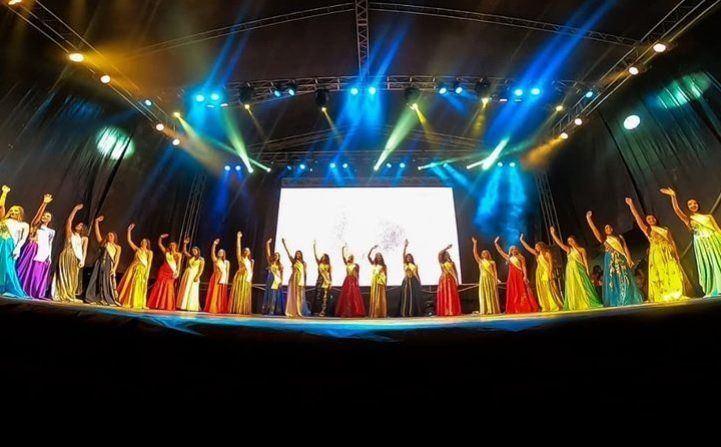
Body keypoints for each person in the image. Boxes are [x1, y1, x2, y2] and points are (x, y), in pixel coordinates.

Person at [660, 187, 721, 296]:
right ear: (688, 207)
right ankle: (716, 286)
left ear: (698, 204)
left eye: (694, 203)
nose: (693, 205)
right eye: (690, 204)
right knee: (709, 264)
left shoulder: (708, 217)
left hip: (714, 241)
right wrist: (673, 196)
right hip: (702, 245)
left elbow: (717, 229)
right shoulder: (688, 219)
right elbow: (677, 210)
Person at [625, 197, 685, 302]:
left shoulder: (665, 229)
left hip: (668, 252)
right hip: (657, 253)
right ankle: (664, 293)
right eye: (648, 219)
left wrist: (676, 254)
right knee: (660, 272)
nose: (651, 220)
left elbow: (672, 242)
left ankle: (674, 291)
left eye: (652, 218)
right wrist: (631, 205)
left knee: (672, 270)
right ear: (646, 222)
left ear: (656, 219)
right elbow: (637, 217)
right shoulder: (647, 230)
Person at [585, 211, 644, 307]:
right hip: (610, 260)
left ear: (612, 228)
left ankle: (626, 297)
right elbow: (594, 230)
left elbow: (625, 248)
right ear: (604, 231)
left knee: (624, 277)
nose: (608, 229)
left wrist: (629, 259)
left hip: (621, 259)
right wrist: (589, 219)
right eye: (606, 228)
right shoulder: (604, 239)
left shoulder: (619, 237)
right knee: (613, 279)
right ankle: (617, 299)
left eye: (609, 227)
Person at [550, 226, 603, 310]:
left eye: (571, 240)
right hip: (570, 270)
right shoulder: (568, 249)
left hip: (579, 269)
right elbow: (559, 244)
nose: (570, 242)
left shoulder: (582, 249)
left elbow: (585, 260)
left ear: (575, 240)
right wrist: (553, 234)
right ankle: (575, 303)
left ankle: (586, 301)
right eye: (569, 241)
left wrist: (587, 270)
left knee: (583, 285)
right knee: (573, 287)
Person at [16, 194, 55, 298]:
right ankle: (22, 288)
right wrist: (44, 203)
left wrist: (49, 257)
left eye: (47, 216)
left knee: (36, 273)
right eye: (44, 215)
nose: (44, 217)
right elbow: (38, 215)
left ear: (50, 220)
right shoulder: (35, 225)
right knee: (26, 269)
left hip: (43, 252)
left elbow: (50, 244)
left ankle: (33, 291)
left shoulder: (51, 231)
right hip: (32, 249)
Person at [52, 204, 87, 303]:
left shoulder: (83, 238)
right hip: (68, 254)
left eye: (81, 225)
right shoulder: (70, 234)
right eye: (79, 224)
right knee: (65, 275)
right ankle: (63, 293)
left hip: (76, 258)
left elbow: (84, 250)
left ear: (83, 229)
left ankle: (70, 293)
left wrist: (83, 260)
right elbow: (69, 221)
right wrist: (75, 209)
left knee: (73, 276)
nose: (78, 225)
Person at [494, 237, 539, 314]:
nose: (514, 250)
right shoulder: (508, 257)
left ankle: (523, 307)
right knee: (512, 291)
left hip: (519, 275)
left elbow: (524, 267)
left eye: (515, 249)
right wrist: (496, 243)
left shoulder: (521, 257)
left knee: (521, 290)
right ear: (510, 251)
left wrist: (525, 276)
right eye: (512, 249)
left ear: (517, 250)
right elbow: (500, 251)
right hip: (511, 277)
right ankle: (514, 308)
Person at [519, 234, 563, 312]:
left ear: (541, 246)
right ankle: (546, 306)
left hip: (546, 272)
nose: (536, 248)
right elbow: (528, 248)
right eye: (535, 247)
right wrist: (522, 240)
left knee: (549, 288)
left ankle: (554, 305)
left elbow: (551, 264)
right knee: (542, 289)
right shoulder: (537, 254)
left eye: (537, 246)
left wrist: (550, 273)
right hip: (539, 273)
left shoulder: (547, 253)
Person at [85, 215, 121, 306]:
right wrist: (96, 222)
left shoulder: (117, 247)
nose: (109, 236)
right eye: (108, 235)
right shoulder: (104, 243)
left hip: (109, 265)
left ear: (114, 237)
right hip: (100, 263)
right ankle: (93, 297)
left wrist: (114, 269)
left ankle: (107, 298)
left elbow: (117, 259)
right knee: (96, 280)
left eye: (111, 235)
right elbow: (97, 234)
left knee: (106, 281)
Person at [116, 223, 152, 309]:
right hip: (134, 268)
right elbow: (129, 240)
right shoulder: (137, 249)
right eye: (142, 241)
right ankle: (131, 301)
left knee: (140, 286)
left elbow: (149, 263)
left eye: (144, 241)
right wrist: (129, 230)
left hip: (142, 270)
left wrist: (147, 273)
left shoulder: (149, 252)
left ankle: (140, 303)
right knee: (132, 284)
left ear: (147, 243)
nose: (142, 242)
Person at [0, 185, 26, 297]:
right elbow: (1, 206)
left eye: (16, 210)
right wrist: (4, 193)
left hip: (9, 245)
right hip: (1, 241)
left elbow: (23, 239)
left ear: (20, 213)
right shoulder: (4, 220)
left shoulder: (24, 225)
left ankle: (6, 287)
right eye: (11, 210)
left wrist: (17, 248)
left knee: (6, 266)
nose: (12, 212)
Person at [147, 234, 182, 311]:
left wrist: (177, 273)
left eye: (173, 245)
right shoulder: (166, 252)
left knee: (169, 286)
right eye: (171, 245)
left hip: (171, 272)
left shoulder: (179, 254)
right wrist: (160, 237)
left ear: (176, 246)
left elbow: (178, 264)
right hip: (163, 271)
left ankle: (167, 305)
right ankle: (156, 304)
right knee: (159, 285)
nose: (172, 246)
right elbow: (159, 244)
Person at [472, 237, 500, 315]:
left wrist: (496, 280)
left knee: (491, 294)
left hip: (491, 279)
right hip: (483, 279)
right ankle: (485, 309)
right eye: (483, 253)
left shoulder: (492, 262)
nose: (484, 254)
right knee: (483, 294)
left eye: (486, 253)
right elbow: (475, 253)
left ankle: (492, 309)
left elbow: (495, 272)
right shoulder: (480, 261)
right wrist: (475, 244)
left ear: (488, 254)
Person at [335, 244, 365, 317]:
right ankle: (346, 311)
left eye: (350, 257)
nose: (349, 258)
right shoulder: (347, 264)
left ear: (353, 258)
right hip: (347, 280)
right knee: (346, 295)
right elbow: (343, 258)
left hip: (353, 280)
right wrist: (342, 249)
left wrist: (357, 281)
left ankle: (355, 311)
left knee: (353, 295)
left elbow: (357, 274)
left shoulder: (356, 265)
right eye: (349, 257)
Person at [282, 238, 308, 318]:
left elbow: (305, 273)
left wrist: (305, 281)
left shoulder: (304, 263)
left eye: (299, 254)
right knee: (293, 295)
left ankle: (299, 311)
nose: (298, 255)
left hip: (301, 279)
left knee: (299, 296)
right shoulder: (293, 261)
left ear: (301, 255)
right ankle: (292, 311)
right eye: (297, 254)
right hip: (294, 279)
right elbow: (288, 253)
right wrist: (284, 244)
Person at [229, 231, 254, 315]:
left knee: (245, 293)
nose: (246, 252)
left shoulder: (250, 261)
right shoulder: (240, 258)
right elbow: (238, 248)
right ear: (243, 252)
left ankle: (244, 309)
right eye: (245, 250)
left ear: (249, 253)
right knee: (239, 292)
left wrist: (250, 279)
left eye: (248, 251)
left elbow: (251, 271)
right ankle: (237, 308)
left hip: (247, 278)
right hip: (241, 277)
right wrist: (238, 238)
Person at [176, 238, 204, 311]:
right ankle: (183, 306)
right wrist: (185, 243)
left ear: (198, 251)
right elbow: (184, 251)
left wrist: (197, 276)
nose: (194, 252)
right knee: (185, 289)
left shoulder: (201, 259)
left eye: (195, 251)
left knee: (192, 290)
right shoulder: (191, 257)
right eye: (193, 251)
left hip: (194, 275)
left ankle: (190, 306)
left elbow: (201, 269)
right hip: (187, 274)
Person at [204, 239, 230, 313]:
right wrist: (214, 244)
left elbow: (227, 272)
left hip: (223, 278)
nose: (219, 252)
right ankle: (213, 307)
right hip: (216, 277)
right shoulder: (215, 260)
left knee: (221, 293)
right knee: (215, 292)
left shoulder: (227, 262)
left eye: (221, 252)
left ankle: (220, 307)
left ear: (223, 254)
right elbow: (212, 253)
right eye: (219, 251)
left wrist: (226, 281)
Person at [436, 244, 462, 316]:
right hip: (443, 280)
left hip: (451, 280)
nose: (446, 255)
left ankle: (452, 310)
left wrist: (457, 280)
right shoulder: (442, 263)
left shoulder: (452, 263)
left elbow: (455, 272)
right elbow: (439, 254)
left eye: (447, 254)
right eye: (445, 254)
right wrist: (446, 248)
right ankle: (445, 311)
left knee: (451, 295)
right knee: (444, 295)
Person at [261, 238, 285, 315]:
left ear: (279, 257)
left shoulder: (280, 265)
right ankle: (266, 309)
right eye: (275, 255)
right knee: (269, 293)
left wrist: (281, 281)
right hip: (270, 279)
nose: (276, 256)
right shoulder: (270, 262)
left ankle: (273, 310)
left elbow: (282, 274)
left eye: (278, 256)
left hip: (276, 280)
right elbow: (268, 253)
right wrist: (267, 244)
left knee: (275, 294)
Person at [399, 240, 422, 317]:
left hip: (414, 282)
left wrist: (419, 282)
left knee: (414, 297)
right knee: (406, 297)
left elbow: (417, 274)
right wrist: (405, 246)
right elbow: (403, 255)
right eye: (407, 257)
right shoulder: (405, 264)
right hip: (406, 282)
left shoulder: (415, 266)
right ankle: (405, 312)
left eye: (410, 257)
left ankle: (412, 312)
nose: (408, 258)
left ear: (412, 258)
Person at [312, 240, 333, 316]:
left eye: (324, 256)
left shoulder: (329, 266)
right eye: (322, 256)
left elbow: (330, 275)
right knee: (318, 295)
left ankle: (323, 311)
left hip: (326, 281)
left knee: (325, 297)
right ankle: (317, 311)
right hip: (320, 280)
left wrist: (331, 282)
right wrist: (314, 246)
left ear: (326, 258)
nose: (323, 257)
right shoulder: (319, 263)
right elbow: (315, 255)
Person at [367, 245, 388, 318]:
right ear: (375, 258)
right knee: (374, 297)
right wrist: (372, 248)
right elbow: (368, 257)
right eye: (377, 257)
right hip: (374, 282)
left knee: (380, 297)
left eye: (380, 257)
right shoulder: (374, 264)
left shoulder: (384, 266)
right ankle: (374, 312)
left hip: (380, 282)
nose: (379, 258)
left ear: (381, 258)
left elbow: (386, 275)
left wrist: (385, 284)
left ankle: (380, 313)